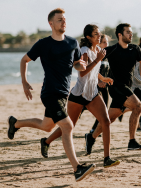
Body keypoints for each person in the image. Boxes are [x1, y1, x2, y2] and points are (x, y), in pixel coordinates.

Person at [7, 8, 95, 182]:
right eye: (60, 19)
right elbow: (24, 60)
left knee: (47, 126)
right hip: (49, 93)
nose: (64, 22)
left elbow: (77, 64)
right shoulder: (43, 44)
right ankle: (77, 168)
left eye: (64, 19)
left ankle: (15, 123)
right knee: (68, 126)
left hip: (63, 94)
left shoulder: (72, 43)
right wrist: (24, 82)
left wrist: (81, 65)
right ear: (51, 23)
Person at [40, 25, 121, 168]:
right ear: (89, 37)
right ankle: (46, 142)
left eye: (99, 33)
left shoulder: (98, 51)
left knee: (106, 121)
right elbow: (83, 73)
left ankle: (107, 158)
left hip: (93, 94)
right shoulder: (84, 51)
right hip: (78, 95)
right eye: (95, 34)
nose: (99, 36)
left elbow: (94, 71)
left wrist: (103, 78)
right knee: (69, 126)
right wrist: (98, 60)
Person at [85, 23, 141, 154]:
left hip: (126, 87)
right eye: (128, 32)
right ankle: (132, 141)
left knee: (109, 119)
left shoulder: (135, 49)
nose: (131, 34)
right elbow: (94, 64)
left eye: (131, 32)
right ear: (120, 34)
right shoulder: (111, 50)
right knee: (138, 106)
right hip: (116, 87)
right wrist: (100, 79)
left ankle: (91, 136)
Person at [88, 34, 111, 134]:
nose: (107, 44)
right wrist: (99, 81)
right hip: (94, 86)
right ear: (99, 44)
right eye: (104, 42)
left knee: (104, 109)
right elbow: (91, 70)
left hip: (104, 87)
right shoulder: (96, 56)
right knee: (83, 107)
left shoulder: (107, 56)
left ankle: (94, 129)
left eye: (107, 42)